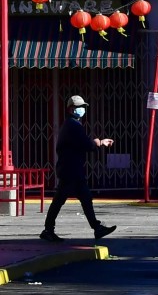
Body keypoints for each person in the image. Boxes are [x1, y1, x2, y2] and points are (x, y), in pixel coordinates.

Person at [40, 96, 117, 242]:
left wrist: (97, 142)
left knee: (84, 198)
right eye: (79, 107)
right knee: (60, 200)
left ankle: (97, 228)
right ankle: (48, 230)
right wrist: (100, 142)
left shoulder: (72, 124)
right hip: (71, 171)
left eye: (83, 106)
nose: (82, 109)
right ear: (71, 109)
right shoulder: (73, 125)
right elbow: (87, 144)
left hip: (71, 169)